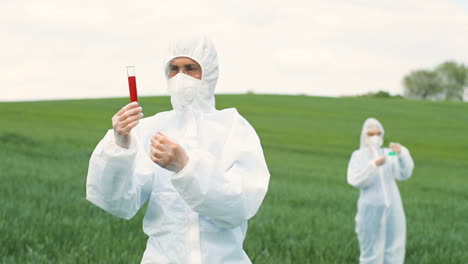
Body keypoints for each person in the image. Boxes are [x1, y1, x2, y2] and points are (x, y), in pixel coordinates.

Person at [86, 35, 270, 264]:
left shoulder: (233, 128)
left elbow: (240, 205)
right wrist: (121, 145)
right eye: (174, 68)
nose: (181, 77)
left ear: (209, 72)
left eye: (191, 68)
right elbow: (118, 203)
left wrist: (187, 167)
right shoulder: (151, 129)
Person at [347, 118, 414, 264]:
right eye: (371, 134)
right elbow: (356, 179)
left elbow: (402, 172)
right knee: (370, 249)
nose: (375, 137)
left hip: (393, 206)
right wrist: (373, 166)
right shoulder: (358, 156)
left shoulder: (387, 153)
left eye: (378, 133)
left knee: (395, 247)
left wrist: (401, 153)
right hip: (370, 207)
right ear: (364, 135)